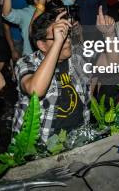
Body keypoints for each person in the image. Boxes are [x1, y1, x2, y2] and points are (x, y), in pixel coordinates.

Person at [13, 12, 92, 142]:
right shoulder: (27, 62)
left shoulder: (77, 57)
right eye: (58, 36)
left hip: (78, 138)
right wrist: (57, 43)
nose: (67, 40)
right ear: (42, 45)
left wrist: (110, 34)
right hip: (40, 145)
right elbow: (35, 90)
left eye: (67, 34)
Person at [3, 0, 76, 57]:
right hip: (31, 56)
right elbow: (7, 14)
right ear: (37, 1)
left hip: (51, 54)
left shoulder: (51, 8)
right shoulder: (25, 13)